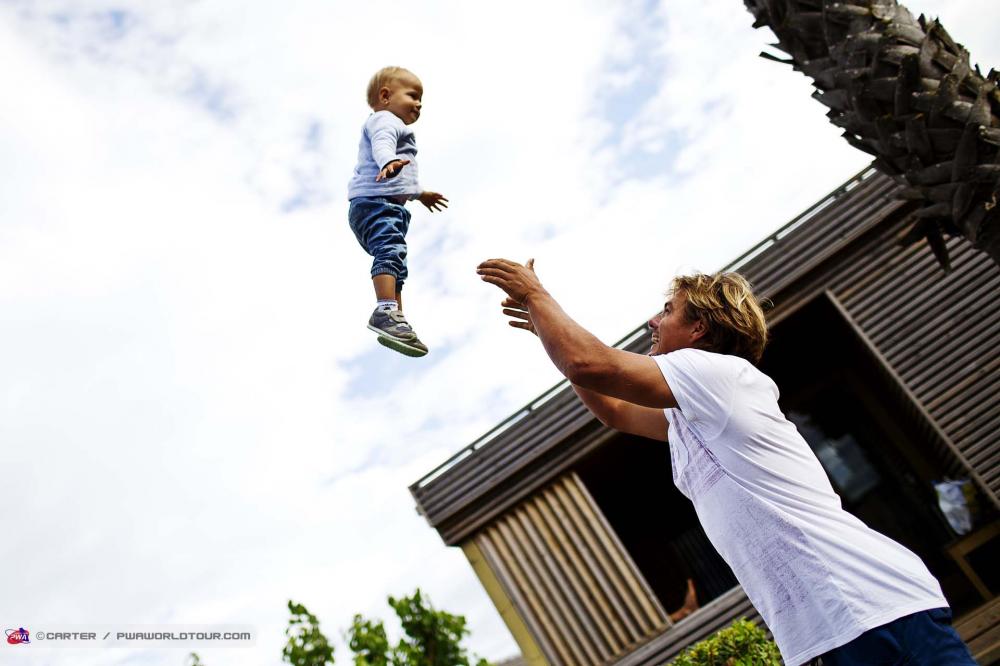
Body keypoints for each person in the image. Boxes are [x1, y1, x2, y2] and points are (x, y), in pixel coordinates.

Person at [476, 258, 976, 666]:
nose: (652, 320)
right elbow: (611, 408)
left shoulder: (716, 374)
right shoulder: (690, 412)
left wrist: (539, 297)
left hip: (873, 605)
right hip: (837, 624)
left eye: (666, 311)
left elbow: (593, 365)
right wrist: (547, 330)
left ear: (699, 329)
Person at [347, 66, 448, 357]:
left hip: (383, 205)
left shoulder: (393, 122)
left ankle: (395, 321)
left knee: (396, 265)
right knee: (390, 251)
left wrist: (419, 194)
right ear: (386, 96)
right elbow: (382, 144)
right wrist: (387, 160)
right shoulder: (385, 120)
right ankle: (385, 312)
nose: (419, 104)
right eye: (413, 95)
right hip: (375, 203)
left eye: (421, 100)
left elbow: (401, 181)